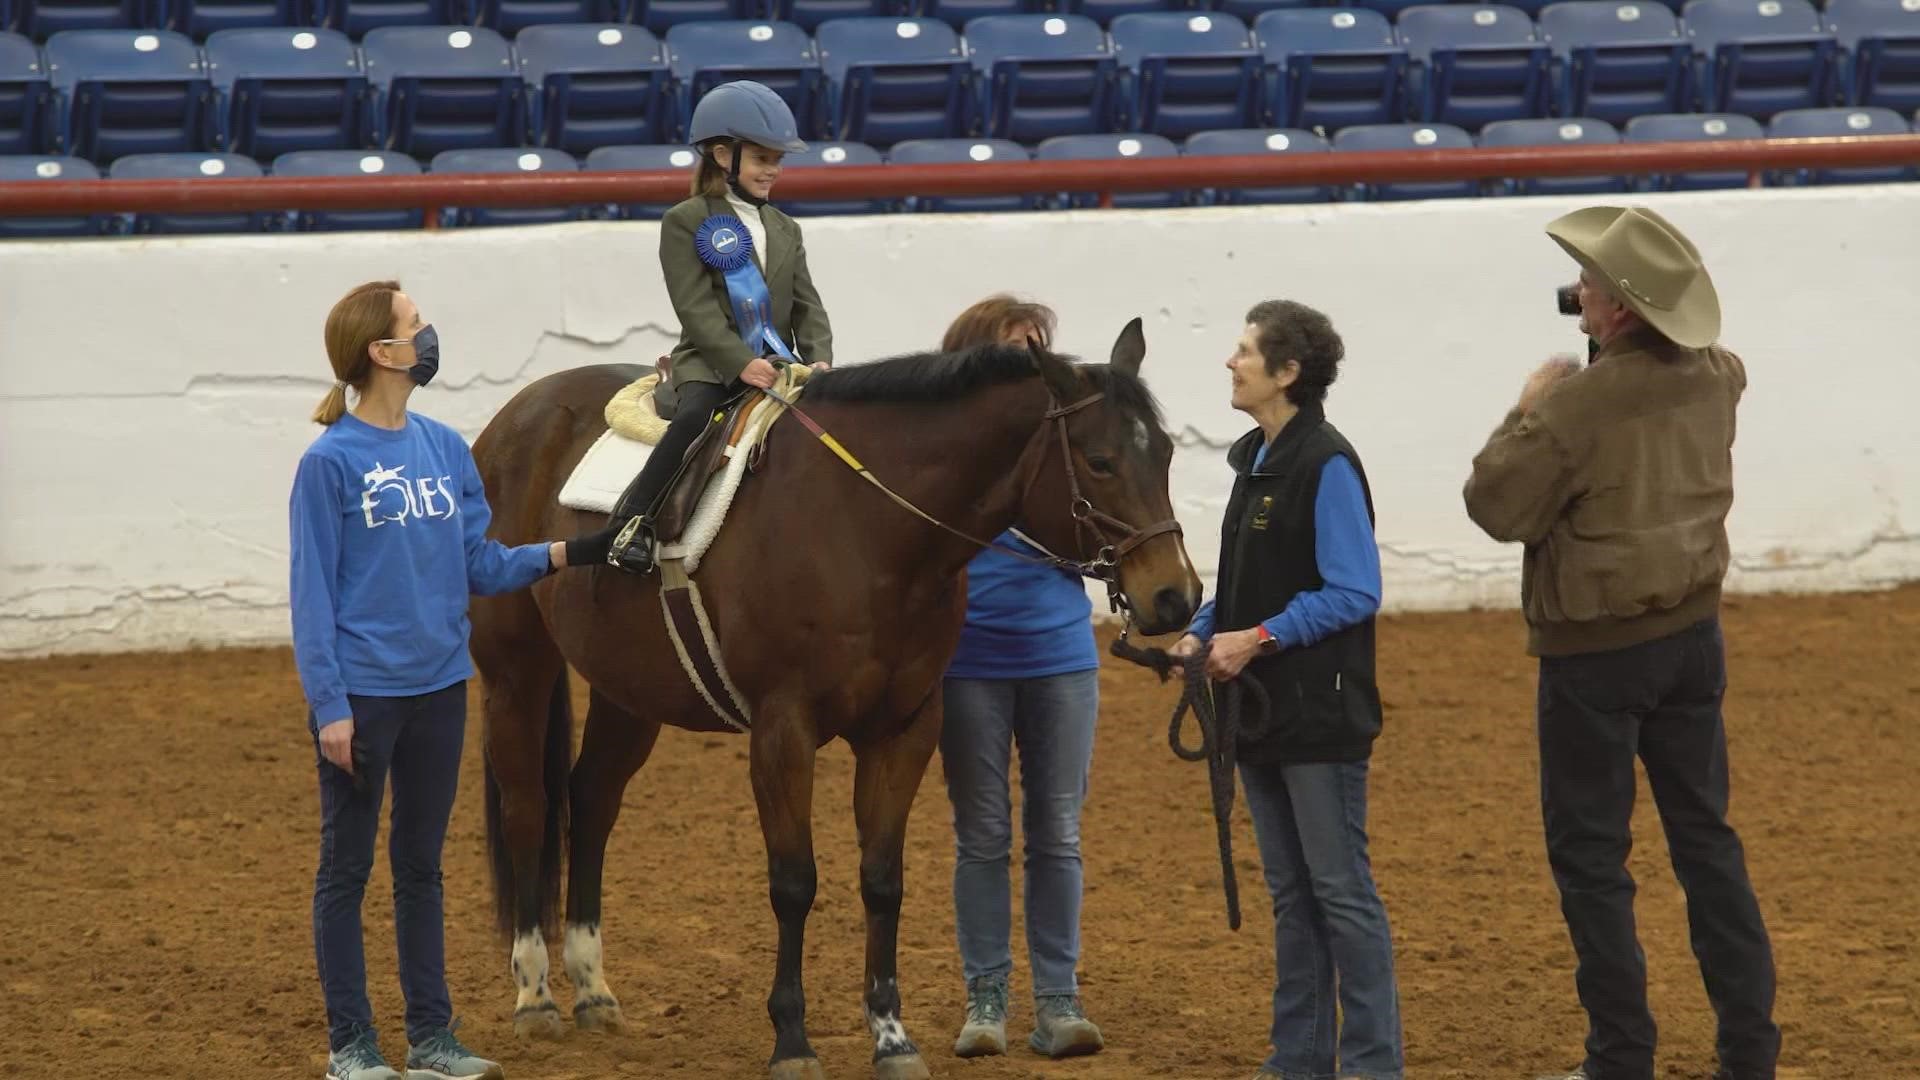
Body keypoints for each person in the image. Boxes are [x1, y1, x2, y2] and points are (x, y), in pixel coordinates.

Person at [1463, 207, 1779, 1080]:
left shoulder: (1575, 406)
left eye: (1594, 286)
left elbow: (1496, 505)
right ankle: (1750, 1053)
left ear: (1624, 311)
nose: (1582, 293)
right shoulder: (1720, 375)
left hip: (1594, 654)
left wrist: (1527, 406)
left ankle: (1621, 1058)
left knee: (1593, 859)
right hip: (1693, 637)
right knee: (1706, 842)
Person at [291, 280, 606, 1080]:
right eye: (416, 326)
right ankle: (352, 1046)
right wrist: (329, 706)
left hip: (438, 689)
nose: (428, 337)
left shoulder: (441, 449)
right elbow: (311, 596)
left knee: (421, 868)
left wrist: (568, 554)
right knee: (347, 872)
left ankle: (431, 1036)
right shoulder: (327, 465)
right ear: (383, 352)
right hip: (363, 696)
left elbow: (481, 563)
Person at [1171, 301, 1404, 1080]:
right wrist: (1206, 629)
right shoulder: (1258, 460)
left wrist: (1256, 639)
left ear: (1287, 372)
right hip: (1263, 714)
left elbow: (1354, 589)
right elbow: (1240, 585)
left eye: (1243, 352)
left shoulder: (1324, 462)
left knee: (1339, 893)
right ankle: (1298, 1061)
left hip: (1316, 712)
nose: (1229, 364)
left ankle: (1372, 1065)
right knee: (1294, 895)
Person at [934, 295, 1106, 1061]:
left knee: (1058, 834)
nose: (1034, 363)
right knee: (983, 836)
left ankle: (1059, 998)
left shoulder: (1061, 445)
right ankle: (988, 997)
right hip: (966, 657)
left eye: (1040, 349)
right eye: (1016, 350)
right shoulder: (938, 450)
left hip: (1060, 652)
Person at [604, 80, 833, 573]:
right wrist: (739, 363)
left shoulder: (786, 228)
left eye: (777, 160)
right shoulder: (686, 220)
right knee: (693, 421)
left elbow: (807, 303)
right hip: (710, 364)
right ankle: (635, 521)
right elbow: (695, 309)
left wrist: (819, 356)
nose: (772, 170)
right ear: (722, 154)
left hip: (780, 364)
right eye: (761, 159)